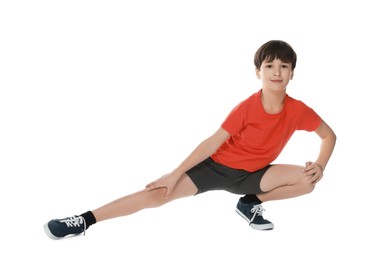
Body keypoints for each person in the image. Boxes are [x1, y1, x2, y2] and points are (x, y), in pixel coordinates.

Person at [44, 40, 336, 239]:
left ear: (292, 73)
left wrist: (320, 165)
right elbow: (211, 143)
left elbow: (328, 135)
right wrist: (174, 174)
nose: (277, 72)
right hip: (216, 168)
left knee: (307, 182)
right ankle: (84, 220)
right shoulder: (248, 107)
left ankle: (249, 204)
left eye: (284, 66)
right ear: (258, 72)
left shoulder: (299, 110)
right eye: (270, 66)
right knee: (158, 195)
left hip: (255, 175)